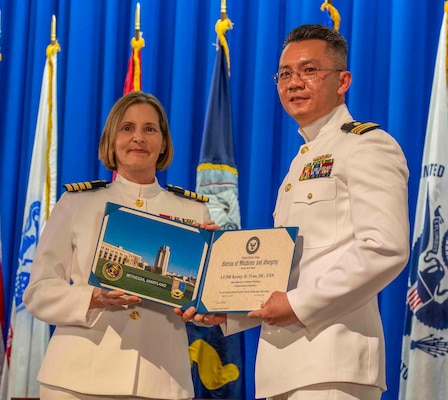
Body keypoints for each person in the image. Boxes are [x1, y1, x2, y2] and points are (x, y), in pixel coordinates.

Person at [177, 24, 410, 400]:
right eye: (285, 74)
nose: (294, 82)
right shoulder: (302, 160)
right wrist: (228, 308)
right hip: (286, 368)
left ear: (342, 80)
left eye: (309, 70)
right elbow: (289, 269)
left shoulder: (367, 146)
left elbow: (384, 248)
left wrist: (297, 304)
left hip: (333, 364)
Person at [23, 91, 217, 400]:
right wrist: (94, 298)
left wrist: (214, 259)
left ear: (164, 143)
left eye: (150, 129)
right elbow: (37, 292)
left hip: (161, 380)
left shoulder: (194, 213)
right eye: (127, 128)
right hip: (76, 380)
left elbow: (206, 303)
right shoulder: (78, 203)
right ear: (112, 140)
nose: (138, 137)